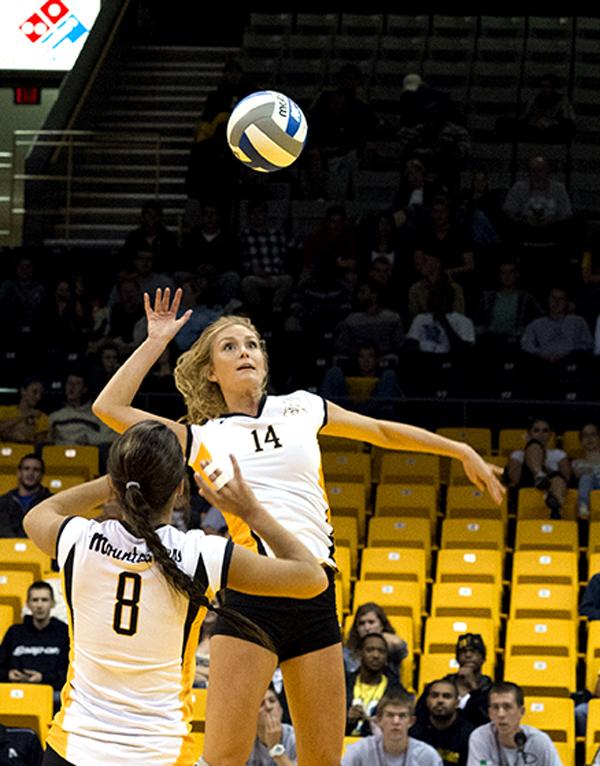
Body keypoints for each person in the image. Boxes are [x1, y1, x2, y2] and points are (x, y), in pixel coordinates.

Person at [91, 287, 504, 766]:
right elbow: (110, 409)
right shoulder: (201, 437)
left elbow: (382, 431)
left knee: (322, 761)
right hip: (252, 597)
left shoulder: (303, 407)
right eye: (230, 347)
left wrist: (460, 450)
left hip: (315, 597)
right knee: (222, 758)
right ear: (210, 371)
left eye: (251, 344)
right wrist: (156, 340)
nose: (245, 351)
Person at [22, 420, 327, 766]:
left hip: (72, 751)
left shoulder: (78, 539)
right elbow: (312, 577)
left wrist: (113, 483)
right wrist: (251, 511)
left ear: (119, 487)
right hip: (160, 754)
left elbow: (37, 516)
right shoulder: (200, 554)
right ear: (180, 489)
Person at [0, 581, 69, 710]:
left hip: (51, 695)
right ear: (28, 604)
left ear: (52, 603)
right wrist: (8, 675)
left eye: (44, 600)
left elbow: (68, 674)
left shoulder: (63, 632)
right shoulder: (14, 632)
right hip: (15, 692)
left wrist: (42, 677)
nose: (39, 605)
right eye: (35, 600)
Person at [466, 681, 561, 765]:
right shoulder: (480, 737)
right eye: (495, 707)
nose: (501, 714)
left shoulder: (539, 741)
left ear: (522, 711)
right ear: (490, 713)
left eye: (507, 707)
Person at [341, 691, 443, 766]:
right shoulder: (359, 751)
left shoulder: (427, 756)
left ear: (411, 721)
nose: (396, 721)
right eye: (390, 715)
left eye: (402, 716)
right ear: (379, 720)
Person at [504, 418, 571, 520]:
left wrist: (546, 470)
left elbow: (566, 478)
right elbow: (515, 479)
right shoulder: (518, 454)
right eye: (536, 430)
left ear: (550, 435)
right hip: (528, 482)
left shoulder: (559, 454)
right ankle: (539, 475)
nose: (541, 434)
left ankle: (556, 509)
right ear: (529, 433)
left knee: (557, 478)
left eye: (545, 431)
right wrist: (529, 451)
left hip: (552, 483)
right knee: (534, 446)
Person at [346, 633, 405, 737]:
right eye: (370, 650)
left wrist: (369, 723)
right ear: (359, 653)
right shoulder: (344, 685)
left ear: (387, 656)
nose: (376, 655)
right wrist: (347, 720)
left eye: (381, 651)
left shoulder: (396, 691)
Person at [410, 679, 475, 766]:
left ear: (457, 703)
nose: (440, 700)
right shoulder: (413, 730)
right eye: (434, 696)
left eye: (446, 696)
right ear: (427, 701)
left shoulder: (470, 735)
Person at [343, 602, 408, 683]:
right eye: (361, 623)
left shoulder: (390, 649)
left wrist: (378, 637)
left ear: (382, 625)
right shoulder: (347, 654)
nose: (367, 628)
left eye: (371, 622)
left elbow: (400, 647)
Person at [48, 372, 116, 448]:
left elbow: (113, 437)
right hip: (58, 455)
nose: (72, 387)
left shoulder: (96, 416)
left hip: (87, 454)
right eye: (69, 383)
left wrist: (90, 439)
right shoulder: (54, 417)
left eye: (77, 384)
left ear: (84, 389)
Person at [443, 634, 493, 728]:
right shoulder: (442, 686)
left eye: (473, 651)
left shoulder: (491, 690)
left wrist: (474, 688)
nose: (468, 655)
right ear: (457, 658)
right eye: (463, 651)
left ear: (483, 658)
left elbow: (489, 721)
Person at [0, 454, 51, 538]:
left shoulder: (49, 502)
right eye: (26, 468)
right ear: (19, 473)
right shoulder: (3, 501)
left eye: (36, 470)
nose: (31, 473)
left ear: (42, 475)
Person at [246, 684, 297, 766]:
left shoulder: (295, 738)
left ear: (281, 709)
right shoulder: (246, 742)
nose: (268, 707)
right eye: (261, 704)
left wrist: (275, 748)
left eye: (272, 701)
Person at [0, 376, 49, 444]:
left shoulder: (41, 416)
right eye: (34, 392)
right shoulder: (4, 410)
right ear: (23, 391)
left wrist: (10, 433)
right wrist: (25, 415)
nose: (38, 397)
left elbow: (39, 442)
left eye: (40, 394)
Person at [571, 423, 600, 519]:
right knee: (586, 477)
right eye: (585, 435)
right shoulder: (576, 462)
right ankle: (583, 509)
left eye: (593, 434)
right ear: (581, 440)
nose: (589, 438)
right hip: (589, 491)